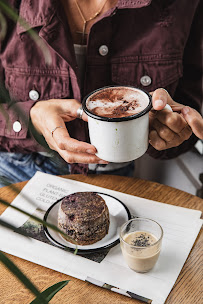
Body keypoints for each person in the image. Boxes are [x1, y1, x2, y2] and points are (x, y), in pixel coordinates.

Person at [0, 0, 202, 187]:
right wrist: (31, 118)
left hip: (116, 177)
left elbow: (188, 114)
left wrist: (169, 129)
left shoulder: (184, 4)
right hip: (17, 173)